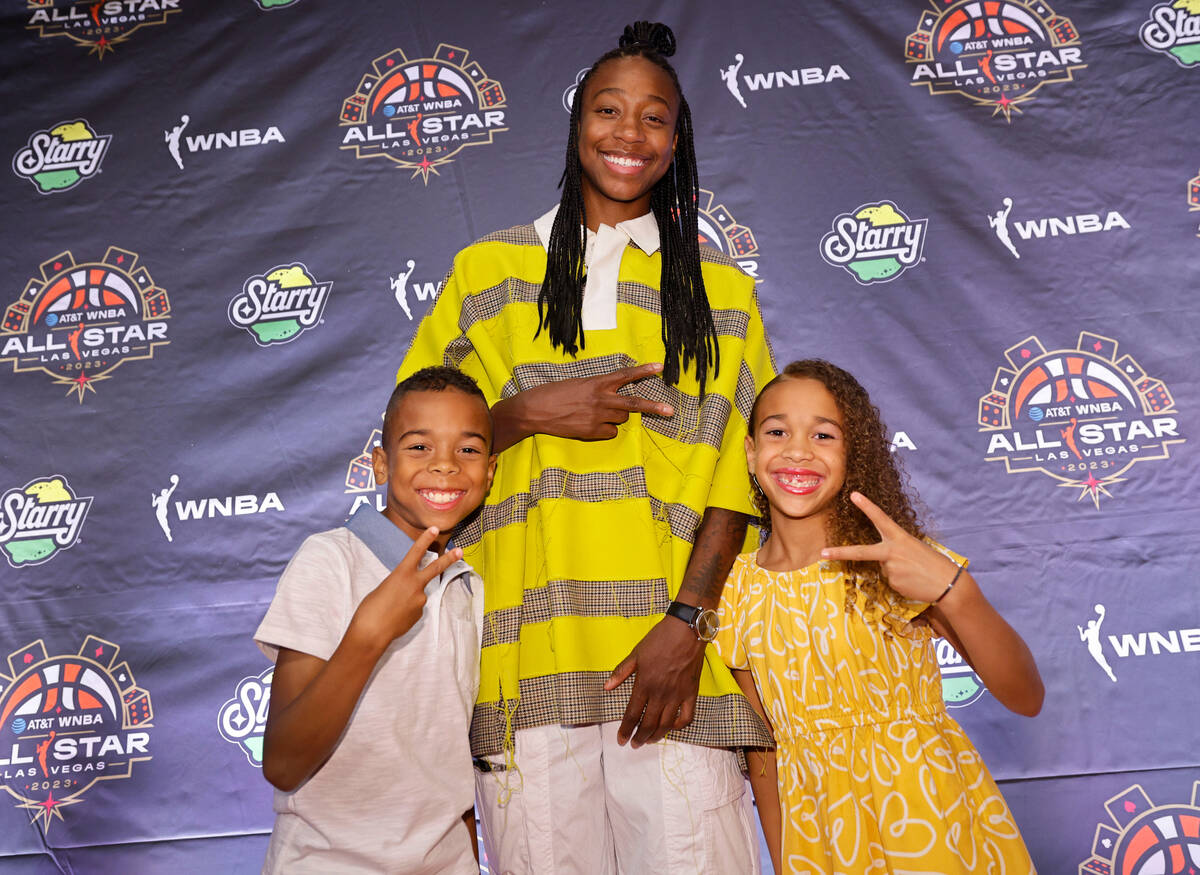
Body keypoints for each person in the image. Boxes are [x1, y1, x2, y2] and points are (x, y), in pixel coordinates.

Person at [396, 20, 775, 873]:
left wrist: (687, 622)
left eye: (654, 118)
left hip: (669, 666)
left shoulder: (722, 293)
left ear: (676, 143)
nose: (629, 133)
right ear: (577, 125)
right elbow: (417, 451)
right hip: (525, 655)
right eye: (609, 110)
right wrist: (524, 413)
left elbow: (739, 480)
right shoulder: (486, 273)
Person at [716, 359, 1043, 874]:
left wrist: (957, 591)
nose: (798, 450)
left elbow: (1026, 696)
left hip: (931, 820)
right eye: (777, 431)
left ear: (852, 455)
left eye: (823, 435)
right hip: (822, 837)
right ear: (751, 451)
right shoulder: (734, 589)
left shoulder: (897, 561)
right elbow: (765, 757)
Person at [254, 367, 496, 874]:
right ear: (381, 465)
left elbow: (448, 763)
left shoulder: (467, 586)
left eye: (468, 449)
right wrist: (369, 634)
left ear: (490, 471)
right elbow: (283, 763)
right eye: (419, 447)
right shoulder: (330, 560)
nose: (446, 465)